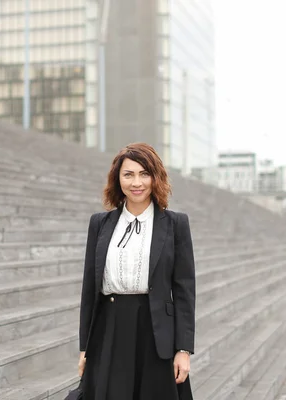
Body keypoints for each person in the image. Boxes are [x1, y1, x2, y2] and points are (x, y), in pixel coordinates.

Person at [77, 142, 195, 400]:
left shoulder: (175, 224)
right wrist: (85, 347)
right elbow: (89, 289)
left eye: (144, 174)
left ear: (156, 177)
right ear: (117, 179)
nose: (136, 182)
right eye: (128, 174)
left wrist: (183, 350)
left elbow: (185, 291)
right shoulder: (100, 223)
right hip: (109, 330)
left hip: (156, 334)